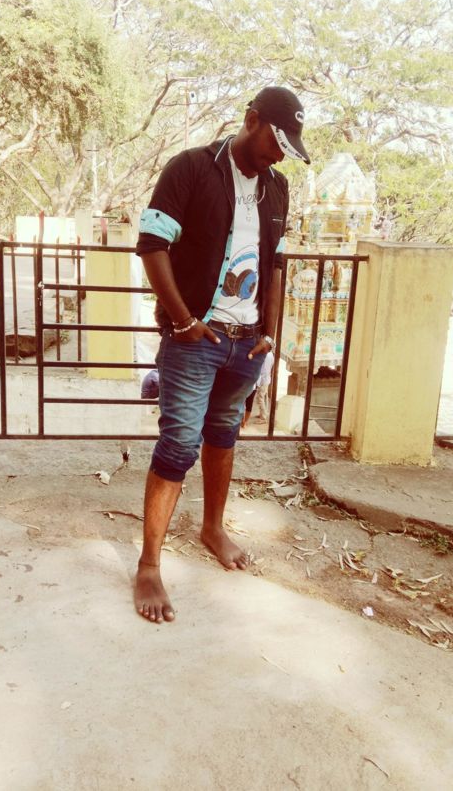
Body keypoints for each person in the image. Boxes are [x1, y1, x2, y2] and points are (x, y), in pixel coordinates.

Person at [135, 86, 311, 623]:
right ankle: (149, 565)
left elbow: (275, 265)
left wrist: (269, 333)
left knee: (224, 434)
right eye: (275, 142)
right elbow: (152, 244)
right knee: (178, 446)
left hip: (248, 342)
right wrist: (183, 321)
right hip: (197, 338)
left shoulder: (277, 187)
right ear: (251, 120)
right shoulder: (191, 168)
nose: (279, 155)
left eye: (287, 148)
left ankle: (212, 528)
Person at [255, 348, 275, 423]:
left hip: (264, 379)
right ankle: (263, 413)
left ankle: (263, 417)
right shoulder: (270, 354)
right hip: (266, 379)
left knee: (260, 398)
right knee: (264, 397)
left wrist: (260, 381)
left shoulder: (267, 355)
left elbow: (264, 370)